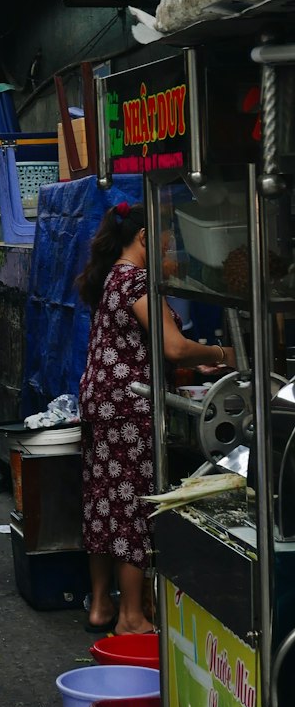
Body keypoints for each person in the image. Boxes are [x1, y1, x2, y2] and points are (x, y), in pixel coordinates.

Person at [78, 201, 236, 634]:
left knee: (103, 500)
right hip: (128, 404)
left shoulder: (112, 275)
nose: (171, 244)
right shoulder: (136, 279)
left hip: (101, 399)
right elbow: (174, 348)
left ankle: (101, 606)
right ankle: (131, 617)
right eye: (167, 236)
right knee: (132, 504)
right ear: (145, 237)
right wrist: (224, 354)